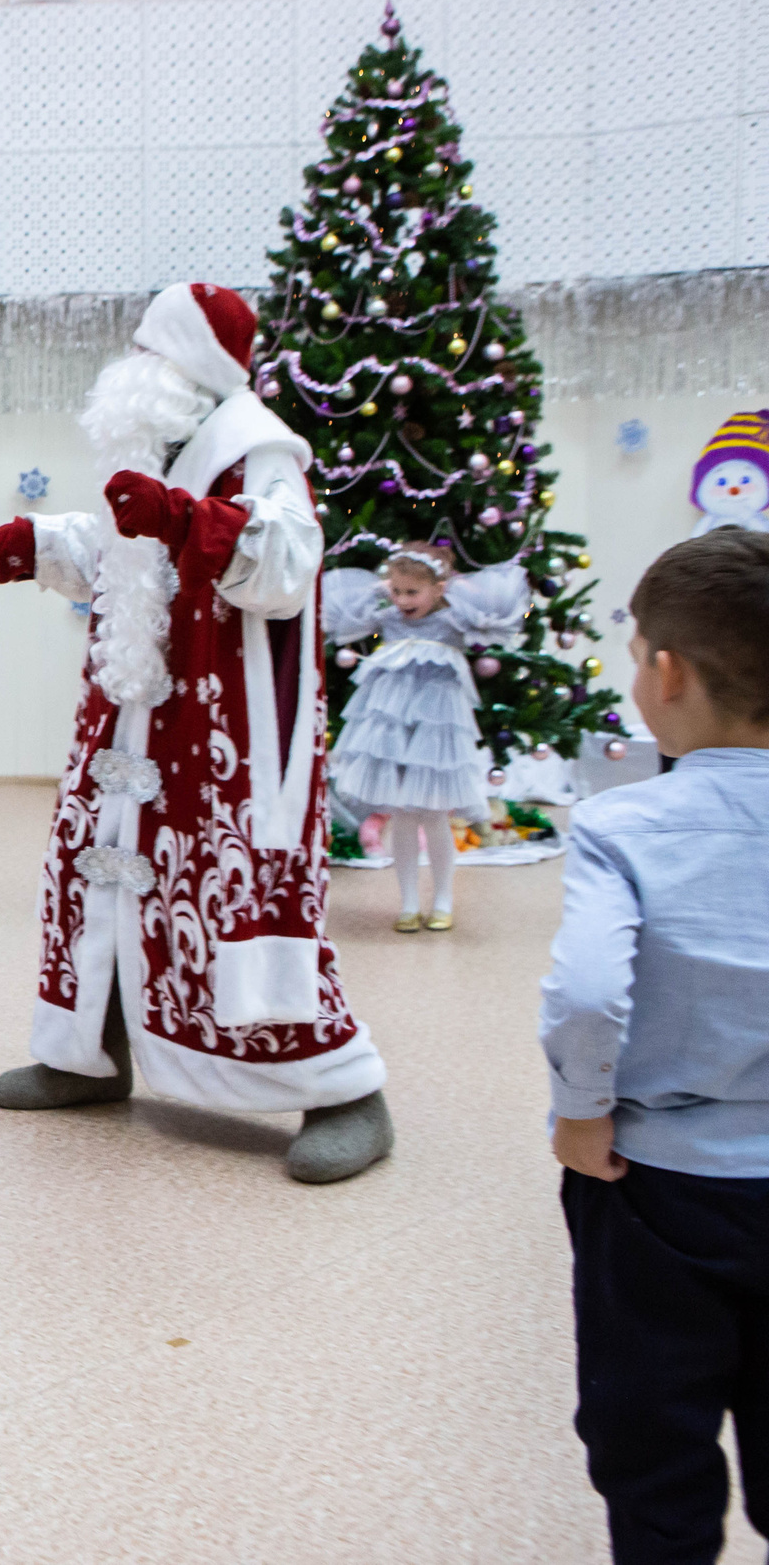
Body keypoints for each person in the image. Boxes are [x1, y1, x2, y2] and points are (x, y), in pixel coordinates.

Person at [0, 280, 391, 1185]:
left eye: (148, 352)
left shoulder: (261, 453)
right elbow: (109, 547)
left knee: (225, 892)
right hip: (128, 713)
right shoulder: (159, 445)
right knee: (94, 873)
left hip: (219, 731)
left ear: (193, 368)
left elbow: (286, 565)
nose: (130, 366)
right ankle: (90, 1052)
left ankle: (342, 1086)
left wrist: (181, 518)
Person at [541, 530, 769, 1565]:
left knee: (651, 1444)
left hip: (656, 1187)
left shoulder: (621, 827)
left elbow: (589, 989)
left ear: (664, 672)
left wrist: (580, 1114)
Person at [323, 541, 527, 932]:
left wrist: (458, 591)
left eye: (412, 592)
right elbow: (345, 611)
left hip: (435, 733)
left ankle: (444, 899)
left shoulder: (454, 622)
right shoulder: (387, 619)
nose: (402, 600)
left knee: (434, 817)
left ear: (439, 589)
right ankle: (409, 903)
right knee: (401, 817)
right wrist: (377, 593)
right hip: (394, 730)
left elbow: (493, 613)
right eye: (396, 590)